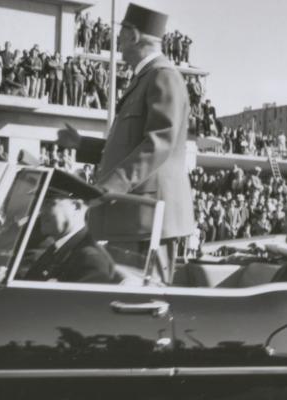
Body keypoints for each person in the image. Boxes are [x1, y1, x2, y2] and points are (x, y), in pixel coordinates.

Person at [60, 3, 194, 283]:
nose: (117, 42)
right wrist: (82, 145)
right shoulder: (147, 78)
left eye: (121, 34)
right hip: (134, 216)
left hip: (145, 219)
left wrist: (110, 187)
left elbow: (159, 143)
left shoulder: (163, 76)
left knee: (138, 305)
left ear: (133, 35)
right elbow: (133, 144)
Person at [24, 194, 118, 283]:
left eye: (50, 203)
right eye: (41, 204)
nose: (41, 211)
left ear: (76, 206)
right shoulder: (57, 248)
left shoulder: (90, 260)